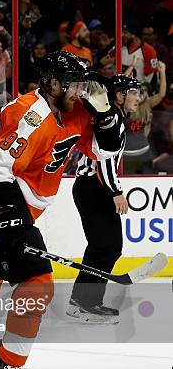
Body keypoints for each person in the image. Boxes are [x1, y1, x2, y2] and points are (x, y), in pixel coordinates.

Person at [0, 52, 94, 369]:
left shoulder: (70, 113)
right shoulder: (29, 114)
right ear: (51, 82)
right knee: (38, 283)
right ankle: (9, 367)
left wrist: (107, 116)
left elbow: (104, 149)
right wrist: (11, 221)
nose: (78, 91)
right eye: (72, 83)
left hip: (6, 207)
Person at [67, 74, 141, 324]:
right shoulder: (113, 120)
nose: (137, 98)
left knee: (103, 247)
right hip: (94, 188)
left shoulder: (112, 117)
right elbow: (105, 160)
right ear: (119, 95)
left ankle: (82, 301)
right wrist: (115, 192)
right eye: (132, 93)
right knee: (107, 247)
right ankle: (86, 303)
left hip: (91, 188)